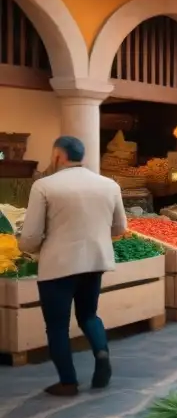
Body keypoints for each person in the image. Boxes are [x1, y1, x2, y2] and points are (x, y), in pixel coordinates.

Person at [18, 136, 126, 397]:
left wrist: (25, 247)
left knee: (57, 326)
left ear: (58, 155)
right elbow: (120, 227)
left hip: (58, 265)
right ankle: (101, 353)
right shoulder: (108, 184)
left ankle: (68, 382)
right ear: (82, 156)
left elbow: (31, 236)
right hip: (95, 262)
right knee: (89, 314)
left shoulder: (44, 186)